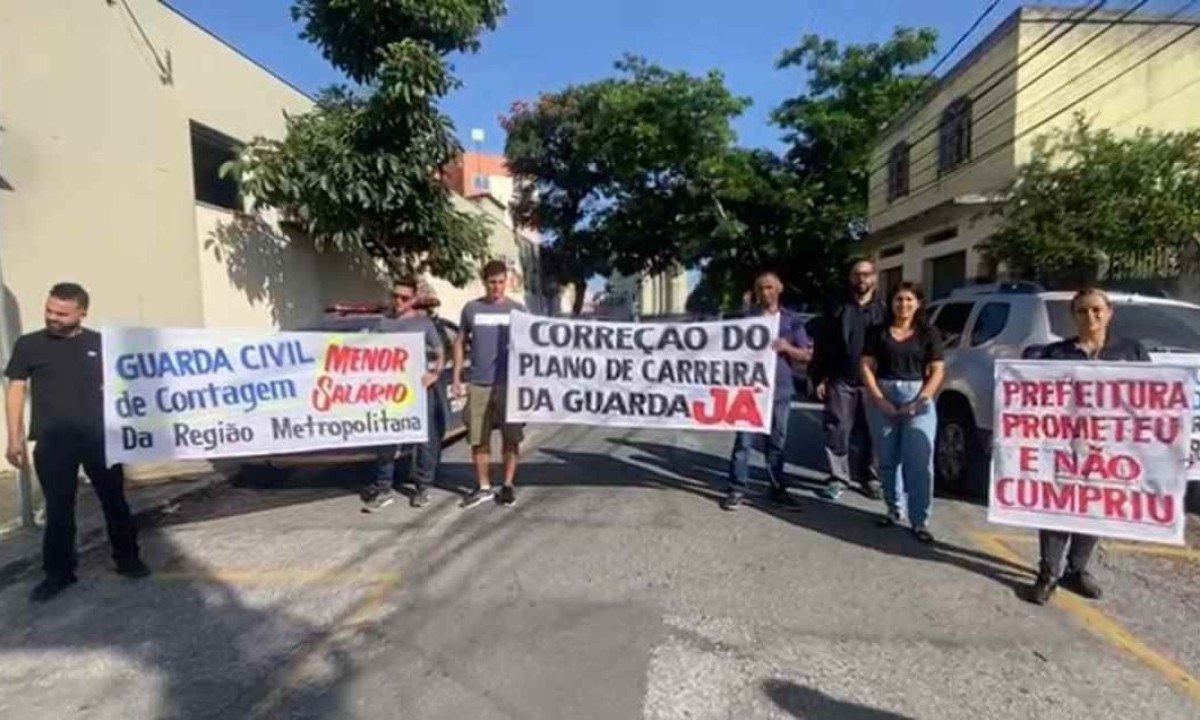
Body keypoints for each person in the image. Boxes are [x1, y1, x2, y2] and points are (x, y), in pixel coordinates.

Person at [5, 283, 151, 603]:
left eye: (61, 313)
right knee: (59, 510)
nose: (52, 317)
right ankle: (58, 574)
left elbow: (131, 386)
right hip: (53, 442)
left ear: (82, 313)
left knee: (114, 501)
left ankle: (128, 559)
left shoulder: (101, 345)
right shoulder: (29, 345)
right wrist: (13, 437)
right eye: (49, 310)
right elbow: (15, 390)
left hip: (100, 440)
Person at [1025, 287, 1149, 605]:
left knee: (1095, 505)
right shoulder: (1056, 354)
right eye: (1082, 311)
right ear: (1073, 316)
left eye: (1096, 310)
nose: (1090, 317)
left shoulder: (1131, 352)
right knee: (1058, 505)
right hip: (1065, 443)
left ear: (1110, 313)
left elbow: (1149, 397)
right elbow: (1038, 400)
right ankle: (1048, 574)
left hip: (1110, 446)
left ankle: (1076, 570)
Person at [860, 282, 945, 543]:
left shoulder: (928, 333)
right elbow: (865, 365)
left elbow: (938, 370)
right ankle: (894, 509)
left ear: (918, 303)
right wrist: (878, 398)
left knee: (919, 460)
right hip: (883, 395)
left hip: (918, 398)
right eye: (898, 299)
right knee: (887, 459)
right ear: (891, 303)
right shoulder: (878, 332)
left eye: (909, 299)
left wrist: (920, 400)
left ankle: (919, 520)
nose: (904, 305)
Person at [721, 272, 811, 511]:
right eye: (761, 289)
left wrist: (787, 347)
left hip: (780, 391)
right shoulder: (746, 319)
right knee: (744, 442)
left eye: (770, 287)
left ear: (779, 289)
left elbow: (806, 355)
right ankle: (737, 488)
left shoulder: (792, 320)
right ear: (756, 292)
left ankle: (776, 488)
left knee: (776, 443)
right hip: (748, 391)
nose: (766, 292)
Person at [362, 278, 445, 512]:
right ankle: (384, 488)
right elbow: (368, 354)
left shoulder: (424, 323)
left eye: (404, 298)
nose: (398, 301)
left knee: (424, 438)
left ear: (414, 299)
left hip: (418, 389)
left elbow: (440, 351)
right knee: (387, 438)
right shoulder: (383, 323)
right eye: (395, 296)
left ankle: (422, 487)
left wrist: (434, 374)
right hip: (389, 392)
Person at [452, 260, 527, 509]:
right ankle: (483, 486)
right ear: (485, 282)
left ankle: (507, 485)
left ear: (507, 282)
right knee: (478, 438)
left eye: (501, 282)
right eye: (492, 282)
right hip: (479, 383)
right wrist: (456, 377)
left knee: (511, 438)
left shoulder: (519, 310)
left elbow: (532, 345)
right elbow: (460, 342)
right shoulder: (471, 309)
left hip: (510, 384)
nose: (497, 287)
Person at [810, 259, 886, 501]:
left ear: (874, 278)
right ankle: (838, 477)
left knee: (873, 432)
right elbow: (822, 345)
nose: (861, 279)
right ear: (850, 278)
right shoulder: (837, 308)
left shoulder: (884, 311)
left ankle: (871, 478)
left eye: (866, 274)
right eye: (857, 274)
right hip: (841, 379)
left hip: (874, 382)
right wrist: (820, 376)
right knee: (837, 428)